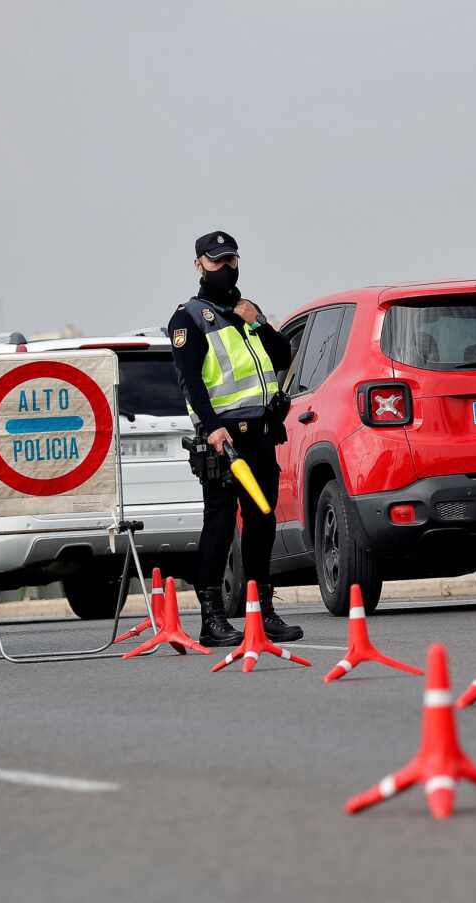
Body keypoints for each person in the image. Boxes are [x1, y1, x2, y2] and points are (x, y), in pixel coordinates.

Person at [168, 231, 303, 646]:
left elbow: (283, 355)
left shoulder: (247, 310)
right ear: (199, 265)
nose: (225, 268)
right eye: (216, 261)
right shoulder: (188, 319)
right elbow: (192, 383)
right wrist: (212, 429)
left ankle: (262, 611)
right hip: (224, 440)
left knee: (262, 521)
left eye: (231, 260)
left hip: (261, 435)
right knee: (221, 524)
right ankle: (212, 618)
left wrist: (257, 322)